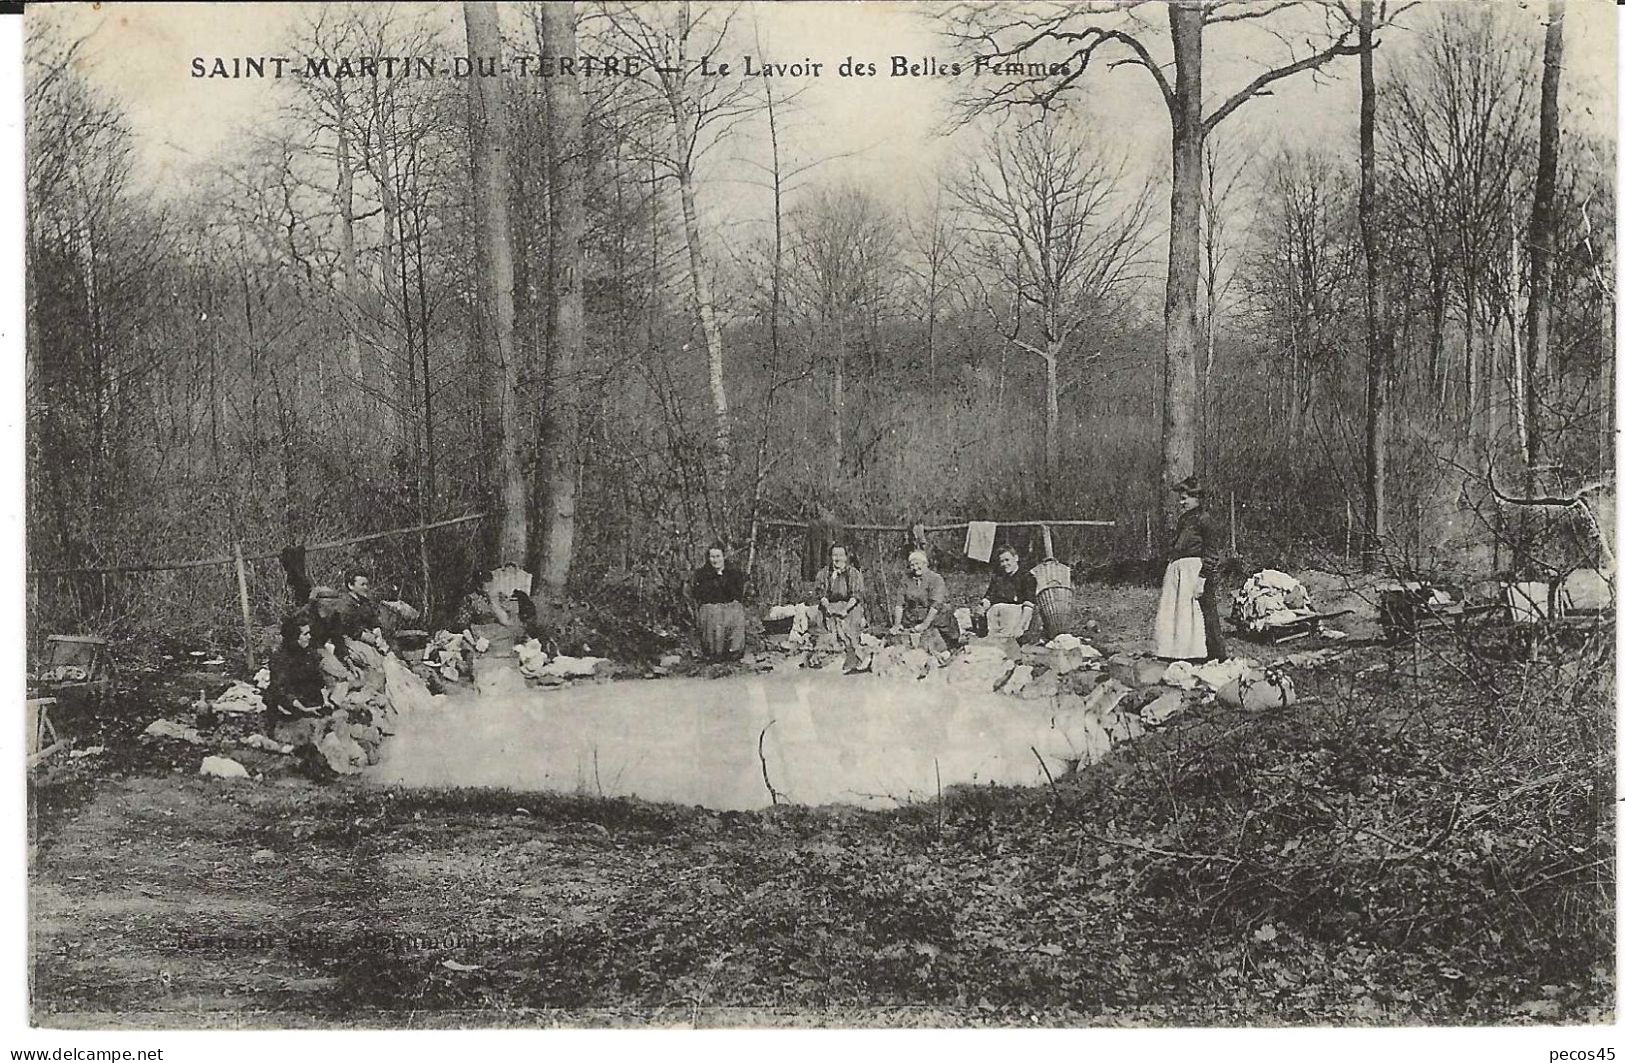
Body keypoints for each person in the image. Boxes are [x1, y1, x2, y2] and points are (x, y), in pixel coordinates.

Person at [1154, 477, 1227, 662]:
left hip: (1195, 572)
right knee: (1177, 613)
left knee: (1203, 614)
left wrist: (1202, 578)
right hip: (1179, 572)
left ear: (1197, 498)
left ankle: (1214, 656)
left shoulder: (1205, 519)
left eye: (1185, 498)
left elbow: (1211, 552)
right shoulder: (1184, 519)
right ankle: (1178, 652)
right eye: (1181, 498)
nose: (1182, 502)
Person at [265, 615, 327, 746]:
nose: (309, 637)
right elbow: (281, 692)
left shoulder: (308, 654)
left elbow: (319, 681)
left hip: (307, 704)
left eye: (309, 633)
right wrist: (303, 709)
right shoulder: (280, 658)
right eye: (305, 634)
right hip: (288, 709)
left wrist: (325, 700)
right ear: (294, 637)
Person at [890, 549, 962, 653]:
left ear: (925, 563)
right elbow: (899, 604)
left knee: (936, 646)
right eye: (912, 565)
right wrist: (897, 624)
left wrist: (924, 625)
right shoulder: (905, 579)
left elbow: (935, 606)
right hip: (913, 618)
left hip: (935, 618)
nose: (915, 568)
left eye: (917, 564)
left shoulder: (936, 579)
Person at [691, 543, 747, 661]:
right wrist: (715, 577)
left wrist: (722, 577)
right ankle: (715, 652)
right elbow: (702, 595)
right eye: (712, 557)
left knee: (736, 610)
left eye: (718, 556)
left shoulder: (733, 573)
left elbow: (737, 594)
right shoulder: (702, 574)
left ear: (723, 557)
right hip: (711, 607)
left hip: (729, 607)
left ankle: (734, 651)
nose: (715, 560)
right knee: (713, 612)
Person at [975, 544, 1037, 640]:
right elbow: (989, 596)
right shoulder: (999, 577)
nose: (1004, 564)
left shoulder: (1027, 577)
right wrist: (983, 606)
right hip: (998, 617)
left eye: (1007, 560)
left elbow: (1029, 605)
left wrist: (1020, 627)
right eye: (1002, 561)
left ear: (1016, 558)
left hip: (1018, 617)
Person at [813, 544, 868, 650]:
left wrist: (845, 610)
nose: (837, 559)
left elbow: (856, 595)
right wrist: (828, 607)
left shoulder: (853, 573)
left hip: (849, 606)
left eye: (841, 555)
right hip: (829, 606)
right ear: (830, 557)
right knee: (825, 629)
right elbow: (821, 594)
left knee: (850, 630)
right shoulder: (824, 573)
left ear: (846, 557)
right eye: (834, 555)